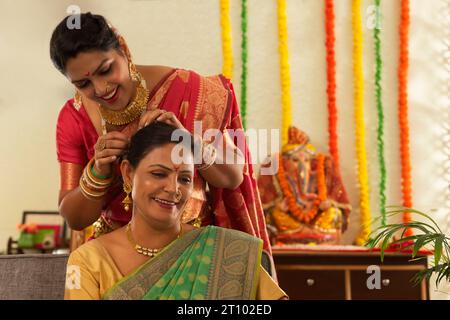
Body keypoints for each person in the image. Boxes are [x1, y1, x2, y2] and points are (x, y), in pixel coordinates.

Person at [50, 12, 271, 254]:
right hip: (117, 256)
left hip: (193, 252)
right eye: (84, 85)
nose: (102, 89)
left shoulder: (192, 91)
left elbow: (233, 177)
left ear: (122, 48)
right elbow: (74, 218)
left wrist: (191, 142)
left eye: (106, 70)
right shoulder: (75, 117)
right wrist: (97, 172)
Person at [64, 122, 287, 300]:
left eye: (184, 179)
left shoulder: (226, 252)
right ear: (128, 174)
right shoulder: (88, 261)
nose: (173, 189)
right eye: (158, 174)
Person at [257, 126, 352, 245]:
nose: (302, 165)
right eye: (295, 160)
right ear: (286, 163)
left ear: (311, 163)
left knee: (334, 212)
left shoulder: (322, 169)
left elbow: (339, 204)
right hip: (289, 224)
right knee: (275, 215)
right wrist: (278, 207)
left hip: (317, 222)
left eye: (306, 161)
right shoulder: (275, 170)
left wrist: (327, 204)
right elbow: (261, 209)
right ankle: (309, 234)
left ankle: (311, 233)